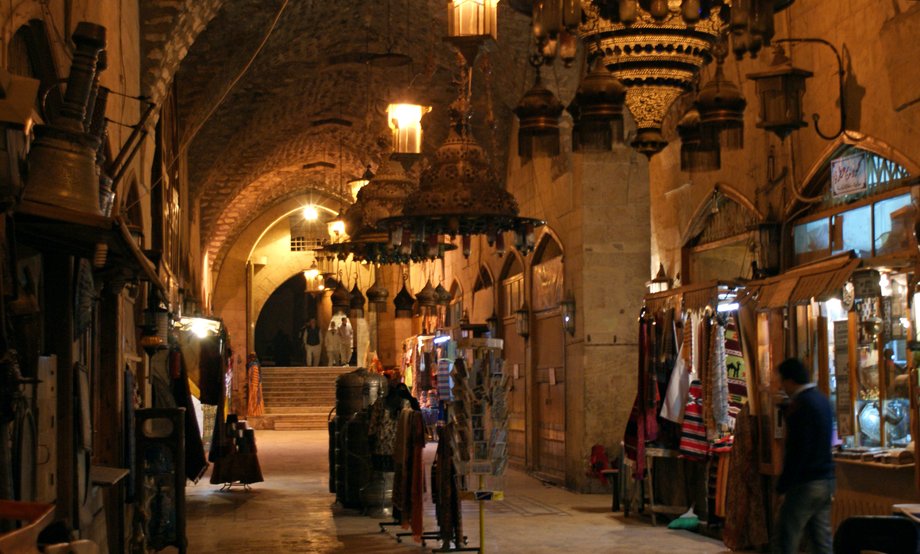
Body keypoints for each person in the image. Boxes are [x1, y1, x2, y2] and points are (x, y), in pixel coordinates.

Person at [774, 358, 835, 554]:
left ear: (790, 380)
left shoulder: (802, 405)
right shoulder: (821, 399)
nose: (782, 386)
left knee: (786, 536)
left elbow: (798, 448)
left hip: (805, 482)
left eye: (782, 381)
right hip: (825, 480)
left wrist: (783, 485)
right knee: (821, 540)